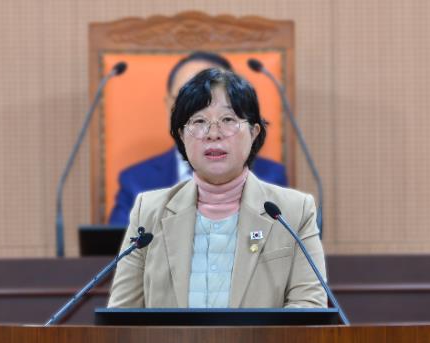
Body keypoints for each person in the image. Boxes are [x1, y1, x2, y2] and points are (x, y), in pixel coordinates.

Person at [108, 68, 326, 308]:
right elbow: (122, 314)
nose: (213, 134)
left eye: (228, 120)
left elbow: (309, 308)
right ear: (181, 135)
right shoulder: (148, 212)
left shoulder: (294, 212)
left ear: (254, 132)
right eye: (199, 121)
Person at [108, 51, 288, 226]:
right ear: (169, 106)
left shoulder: (269, 177)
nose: (212, 131)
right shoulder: (136, 182)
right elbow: (117, 245)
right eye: (187, 102)